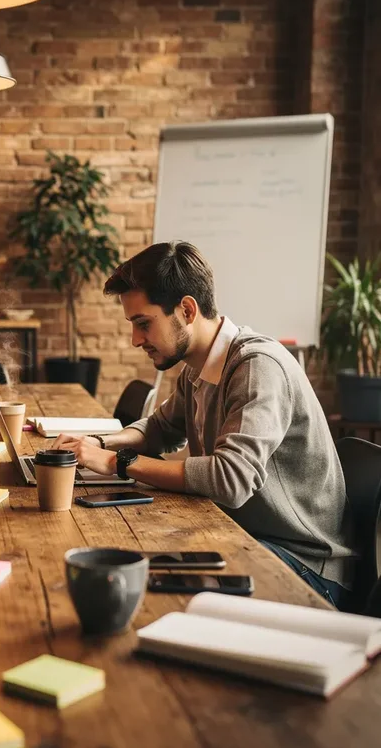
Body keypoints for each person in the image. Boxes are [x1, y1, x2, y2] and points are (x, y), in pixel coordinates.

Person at [55, 241, 356, 607]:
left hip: (307, 567)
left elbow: (229, 480)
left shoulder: (256, 367)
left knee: (156, 596)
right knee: (126, 562)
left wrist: (120, 463)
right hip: (243, 536)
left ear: (186, 309)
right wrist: (101, 444)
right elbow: (158, 429)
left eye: (143, 324)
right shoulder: (197, 368)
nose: (135, 340)